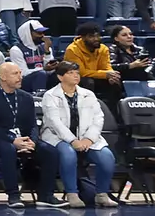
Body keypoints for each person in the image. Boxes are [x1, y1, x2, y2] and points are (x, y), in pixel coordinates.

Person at [38, 61, 118, 208]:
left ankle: (102, 194)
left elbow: (98, 118)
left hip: (87, 137)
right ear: (60, 77)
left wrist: (89, 139)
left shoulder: (88, 94)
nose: (75, 76)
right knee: (68, 154)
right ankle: (72, 194)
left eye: (77, 73)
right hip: (58, 137)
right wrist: (73, 140)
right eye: (70, 73)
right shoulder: (50, 96)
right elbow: (54, 122)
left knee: (107, 157)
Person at [0, 61, 39, 209]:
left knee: (49, 150)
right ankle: (13, 194)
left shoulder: (27, 97)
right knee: (8, 149)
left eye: (20, 73)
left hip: (23, 139)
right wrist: (13, 140)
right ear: (3, 77)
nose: (20, 77)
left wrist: (33, 141)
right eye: (15, 74)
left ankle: (46, 195)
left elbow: (33, 125)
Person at [64, 21, 122, 115]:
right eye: (91, 36)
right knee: (87, 81)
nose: (96, 39)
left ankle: (112, 114)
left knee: (115, 82)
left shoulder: (103, 48)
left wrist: (111, 75)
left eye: (97, 36)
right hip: (75, 78)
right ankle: (86, 113)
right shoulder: (72, 49)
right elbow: (80, 72)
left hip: (96, 76)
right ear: (83, 38)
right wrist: (105, 74)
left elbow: (106, 67)